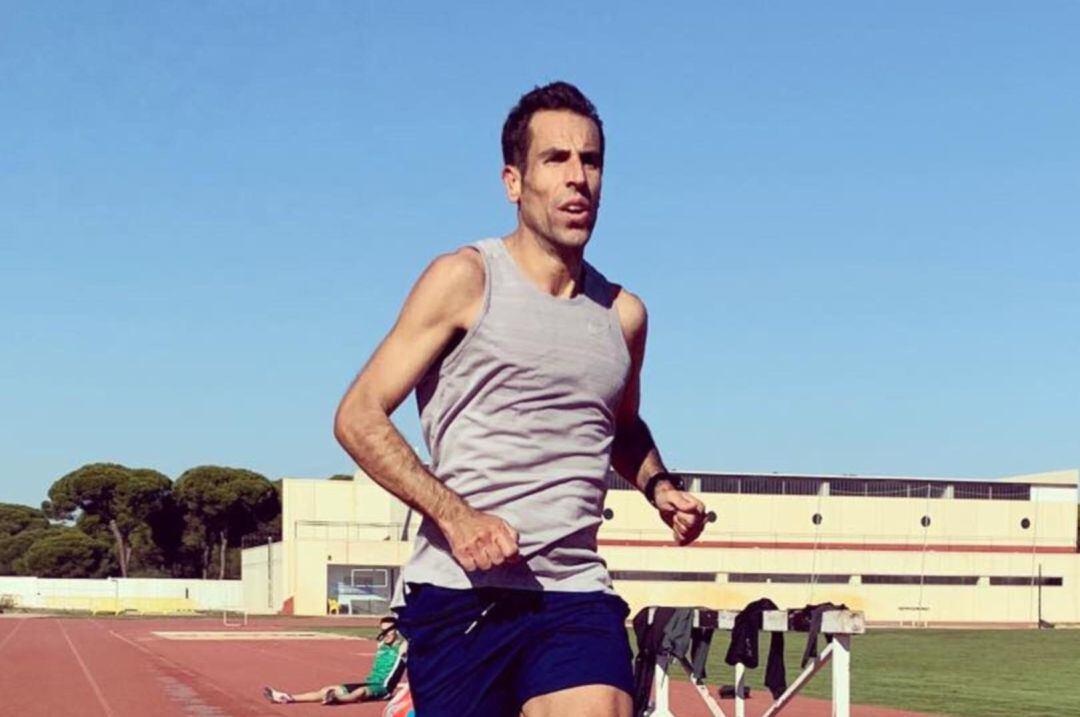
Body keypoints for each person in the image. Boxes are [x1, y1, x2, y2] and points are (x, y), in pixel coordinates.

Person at [333, 81, 708, 717]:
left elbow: (620, 424)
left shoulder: (623, 315)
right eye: (555, 160)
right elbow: (358, 415)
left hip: (573, 594)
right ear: (514, 181)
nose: (578, 179)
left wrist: (659, 487)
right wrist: (456, 517)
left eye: (590, 161)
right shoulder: (465, 279)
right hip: (461, 597)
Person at [263, 616, 407, 705]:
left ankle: (338, 699)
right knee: (327, 689)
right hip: (369, 682)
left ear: (397, 631)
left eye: (389, 630)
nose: (385, 634)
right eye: (382, 631)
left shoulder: (403, 648)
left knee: (361, 692)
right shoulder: (381, 645)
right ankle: (287, 697)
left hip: (383, 688)